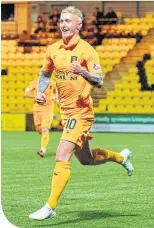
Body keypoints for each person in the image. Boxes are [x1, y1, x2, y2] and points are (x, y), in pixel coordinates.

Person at [29, 6, 134, 220]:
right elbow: (44, 74)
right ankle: (121, 157)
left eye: (68, 21)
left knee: (62, 155)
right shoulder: (53, 49)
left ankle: (50, 207)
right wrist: (40, 92)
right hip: (66, 113)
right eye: (61, 20)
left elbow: (100, 80)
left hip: (81, 113)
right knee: (86, 159)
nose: (63, 24)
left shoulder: (87, 51)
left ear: (79, 25)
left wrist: (83, 72)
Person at [25, 78, 58, 157]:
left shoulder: (52, 83)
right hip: (37, 109)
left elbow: (57, 91)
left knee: (44, 129)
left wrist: (56, 97)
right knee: (39, 129)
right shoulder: (34, 82)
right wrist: (35, 96)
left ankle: (42, 150)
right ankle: (44, 137)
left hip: (48, 109)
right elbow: (26, 93)